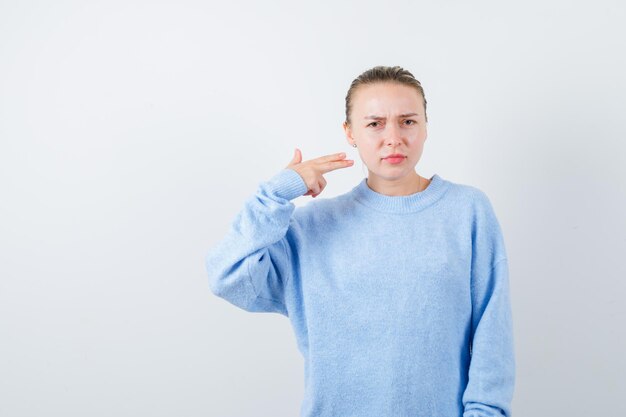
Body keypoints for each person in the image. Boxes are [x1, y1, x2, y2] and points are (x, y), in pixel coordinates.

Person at [205, 65, 515, 417]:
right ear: (349, 132)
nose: (393, 138)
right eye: (374, 123)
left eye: (408, 121)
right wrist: (277, 192)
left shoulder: (467, 212)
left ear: (426, 126)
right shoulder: (311, 229)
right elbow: (226, 275)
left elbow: (493, 338)